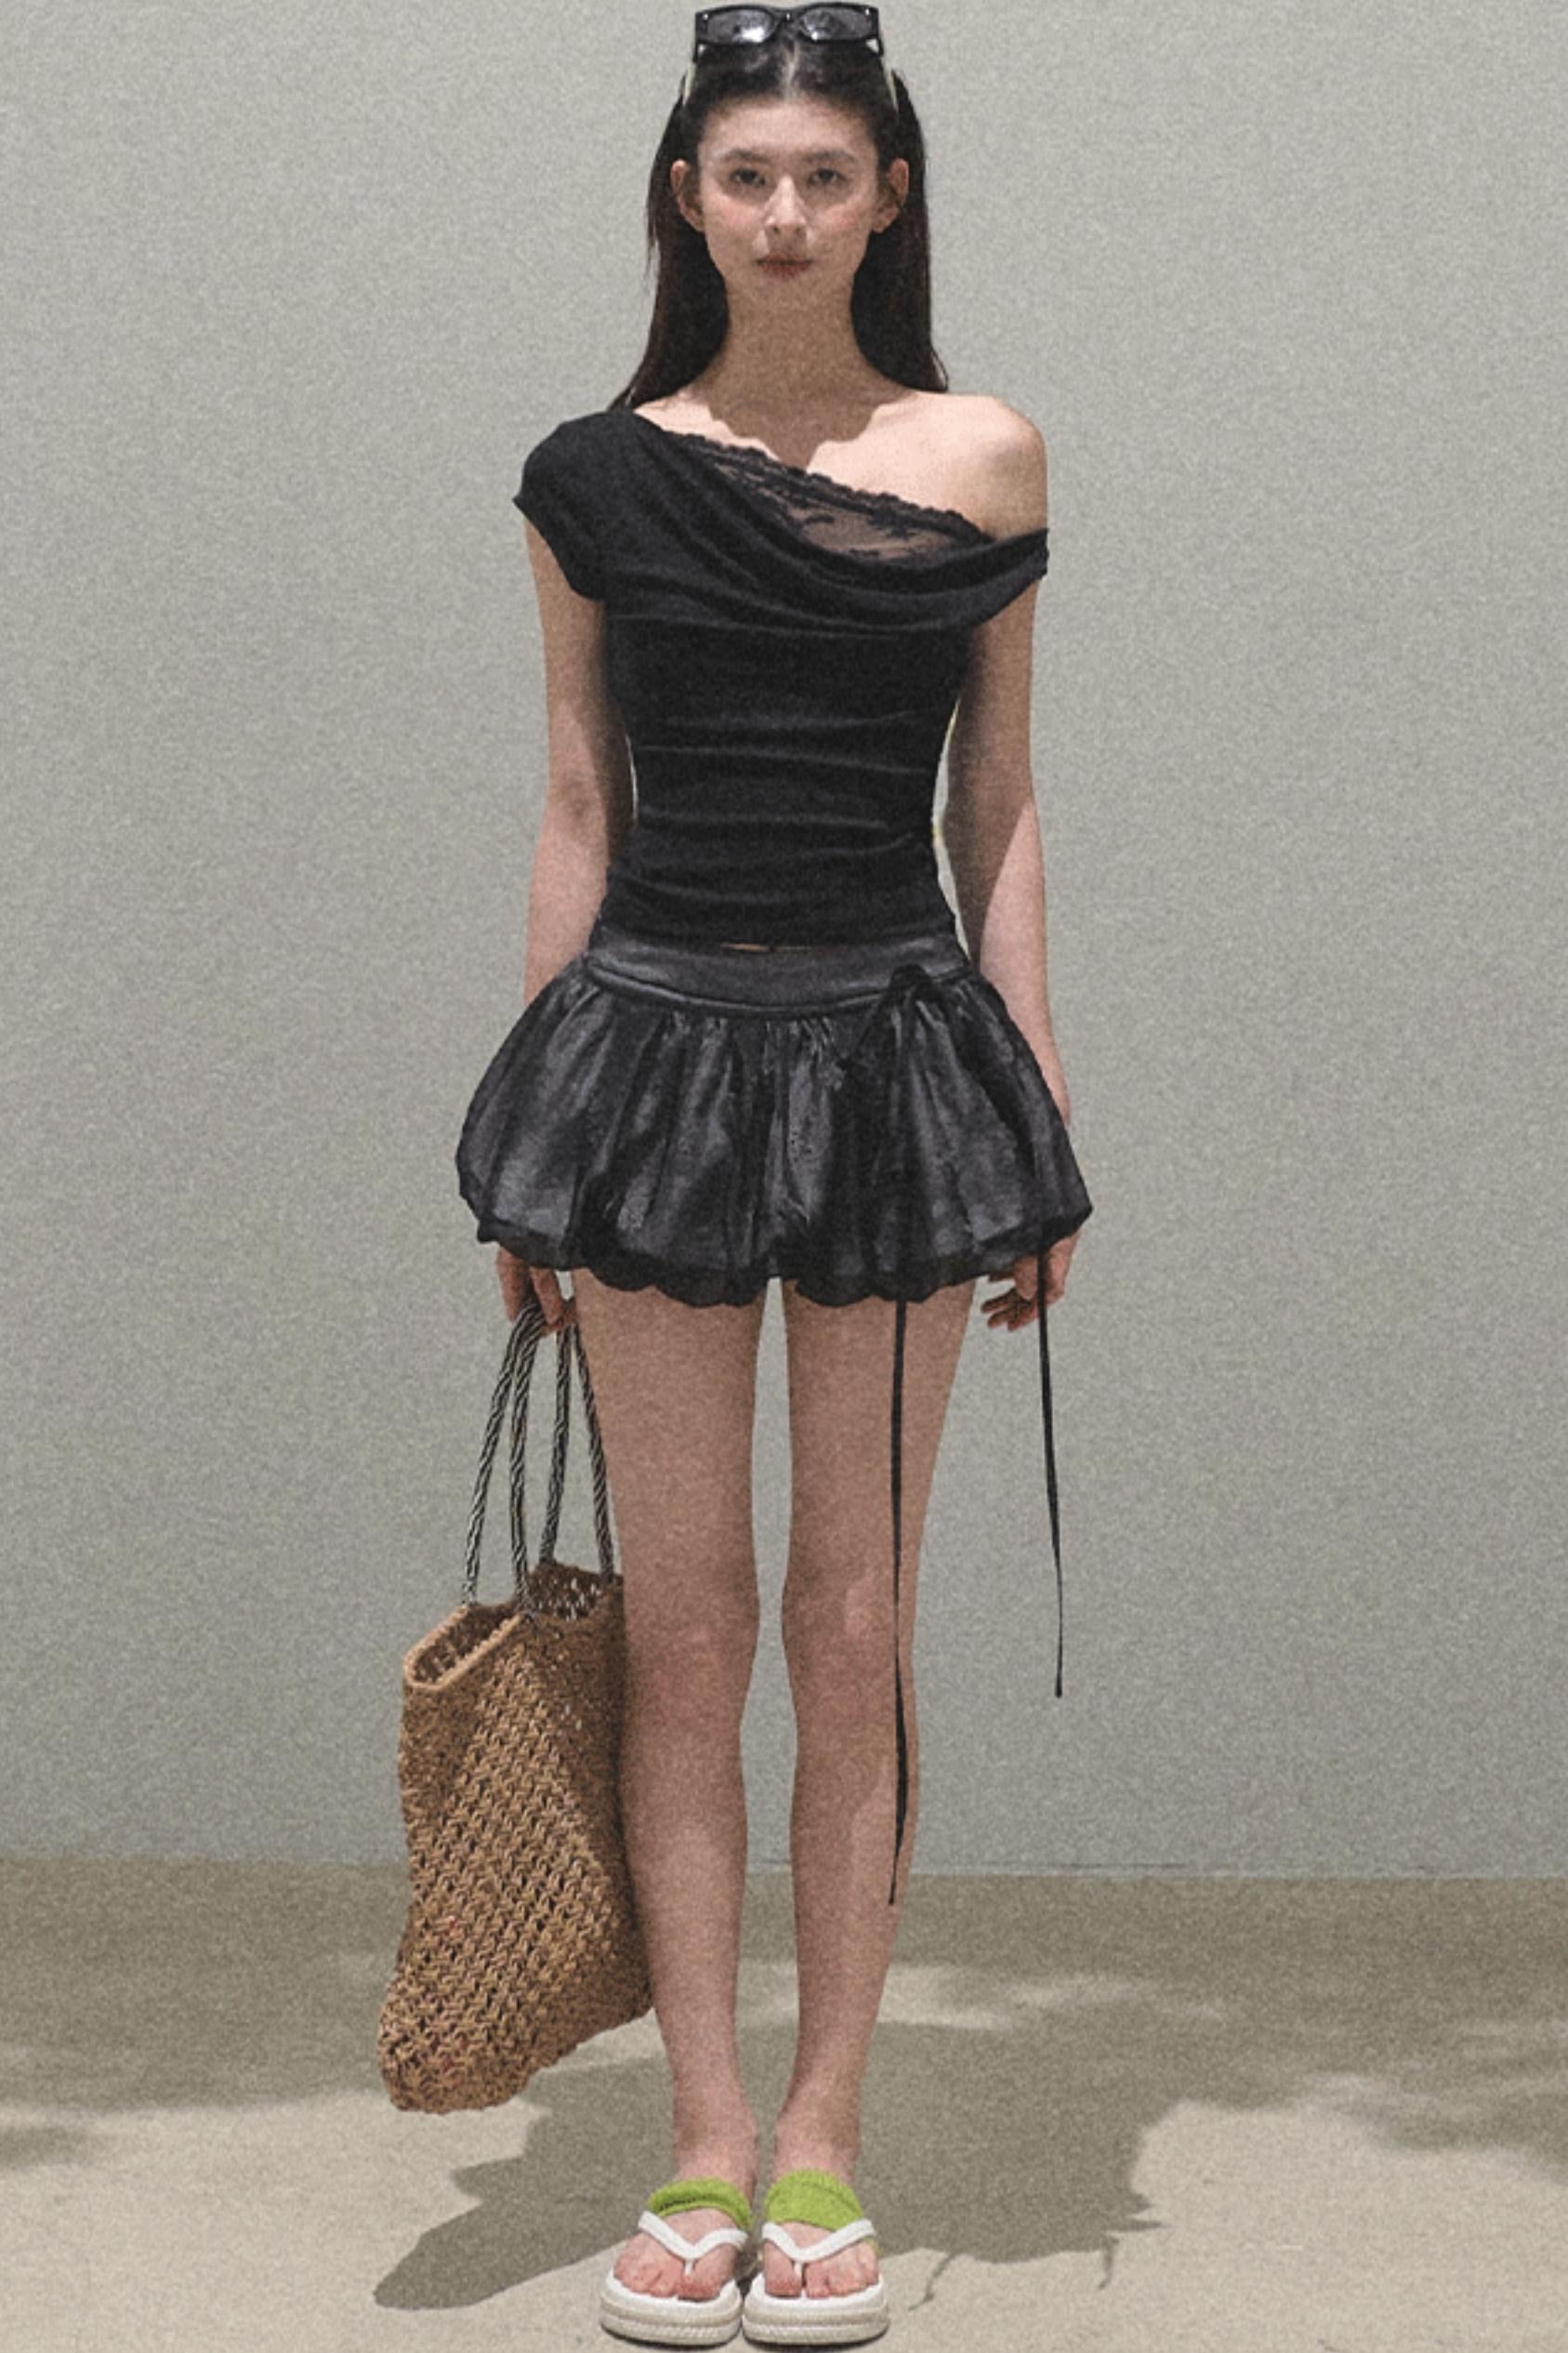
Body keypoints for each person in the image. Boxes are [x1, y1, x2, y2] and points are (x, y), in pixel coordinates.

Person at [455, 9, 1093, 2342]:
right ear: (688, 198)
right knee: (690, 1625)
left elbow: (994, 804)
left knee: (851, 1625)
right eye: (749, 176)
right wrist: (531, 1147)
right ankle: (704, 2137)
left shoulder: (983, 455)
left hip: (899, 1069)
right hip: (645, 1069)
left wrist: (1036, 1121)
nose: (789, 214)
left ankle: (825, 2130)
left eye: (828, 173)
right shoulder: (592, 474)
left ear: (888, 192)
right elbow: (576, 805)